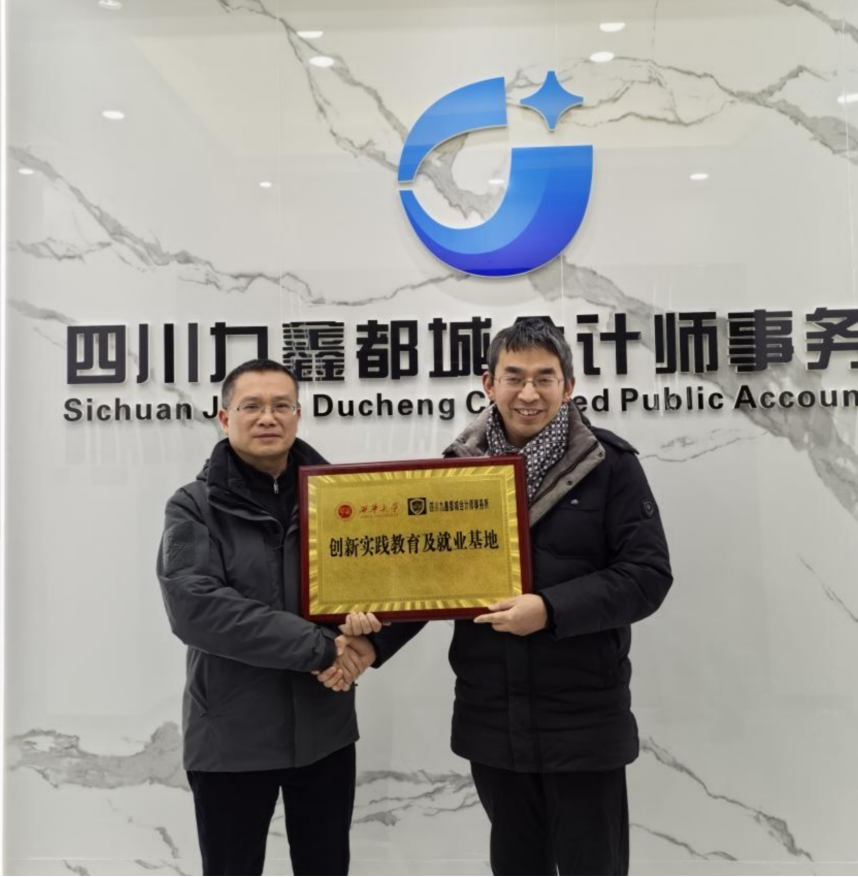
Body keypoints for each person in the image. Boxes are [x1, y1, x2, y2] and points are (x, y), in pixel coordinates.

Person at [343, 318, 673, 876]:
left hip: (583, 716)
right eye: (514, 377)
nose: (528, 393)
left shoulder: (610, 465)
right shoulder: (456, 471)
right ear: (488, 383)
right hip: (492, 714)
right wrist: (372, 643)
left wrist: (549, 610)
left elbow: (646, 576)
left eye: (544, 378)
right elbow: (430, 578)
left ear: (569, 385)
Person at [157, 359, 376, 876]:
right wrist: (321, 648)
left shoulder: (340, 499)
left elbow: (383, 581)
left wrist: (370, 639)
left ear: (298, 415)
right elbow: (194, 606)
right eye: (251, 406)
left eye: (281, 406)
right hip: (231, 738)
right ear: (224, 417)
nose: (267, 417)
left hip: (325, 730)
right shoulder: (192, 506)